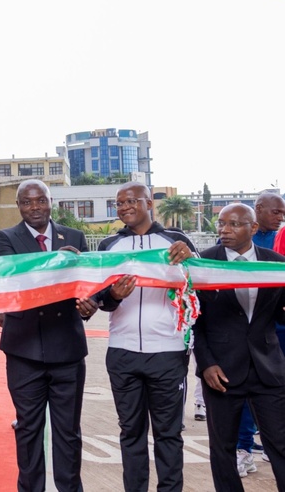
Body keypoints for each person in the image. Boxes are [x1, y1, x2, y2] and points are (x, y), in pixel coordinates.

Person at [0, 179, 98, 492]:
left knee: (69, 432)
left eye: (40, 200)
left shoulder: (76, 236)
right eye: (27, 202)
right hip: (24, 351)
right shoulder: (5, 238)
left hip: (67, 350)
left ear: (52, 201)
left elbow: (85, 284)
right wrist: (56, 262)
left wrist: (89, 305)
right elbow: (17, 279)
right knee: (28, 430)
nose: (34, 207)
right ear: (19, 206)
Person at [92, 181, 196, 492]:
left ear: (149, 203)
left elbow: (197, 289)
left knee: (168, 433)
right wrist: (114, 295)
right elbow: (100, 301)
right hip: (122, 352)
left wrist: (189, 259)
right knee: (131, 432)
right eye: (119, 203)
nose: (123, 207)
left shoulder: (176, 241)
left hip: (167, 352)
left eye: (131, 201)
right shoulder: (108, 246)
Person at [193, 203, 285, 490]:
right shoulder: (205, 263)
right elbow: (195, 321)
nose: (224, 230)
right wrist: (206, 363)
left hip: (267, 368)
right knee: (222, 449)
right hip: (221, 372)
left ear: (253, 228)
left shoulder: (274, 264)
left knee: (280, 444)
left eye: (233, 224)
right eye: (221, 223)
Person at [231, 191, 285, 474]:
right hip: (250, 336)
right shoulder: (235, 242)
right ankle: (243, 449)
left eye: (282, 213)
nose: (280, 217)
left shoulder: (281, 239)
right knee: (246, 396)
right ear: (258, 210)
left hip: (280, 332)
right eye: (275, 212)